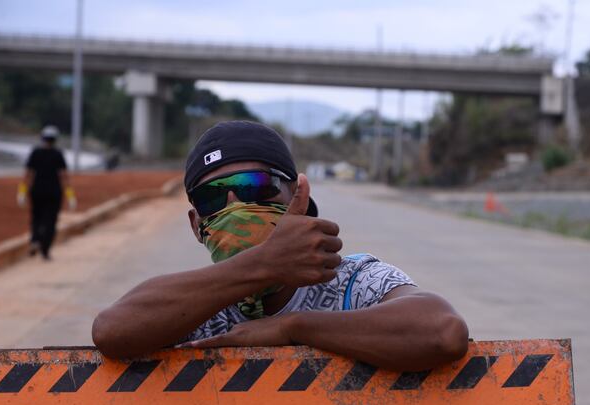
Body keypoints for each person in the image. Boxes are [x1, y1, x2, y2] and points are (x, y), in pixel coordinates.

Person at [92, 121, 468, 371]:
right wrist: (262, 266)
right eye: (212, 198)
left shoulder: (354, 282)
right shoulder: (193, 307)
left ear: (297, 197)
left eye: (255, 185)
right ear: (196, 225)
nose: (235, 207)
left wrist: (292, 327)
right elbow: (112, 331)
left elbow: (441, 331)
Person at [17, 125, 77, 260]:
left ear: (42, 138)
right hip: (53, 192)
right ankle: (45, 249)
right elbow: (64, 176)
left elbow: (28, 174)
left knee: (36, 218)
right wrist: (71, 196)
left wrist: (22, 192)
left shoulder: (35, 152)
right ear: (55, 139)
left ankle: (35, 240)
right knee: (51, 221)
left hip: (37, 191)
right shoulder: (58, 154)